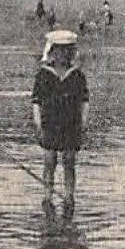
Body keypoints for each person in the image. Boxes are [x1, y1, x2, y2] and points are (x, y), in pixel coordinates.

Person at [32, 29, 90, 205]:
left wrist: (84, 123)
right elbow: (36, 101)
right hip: (50, 123)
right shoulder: (44, 74)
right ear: (52, 52)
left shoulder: (77, 75)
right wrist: (37, 124)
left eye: (67, 50)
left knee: (69, 160)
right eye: (59, 50)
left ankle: (69, 195)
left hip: (71, 123)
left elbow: (84, 101)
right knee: (49, 160)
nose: (63, 55)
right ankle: (47, 195)